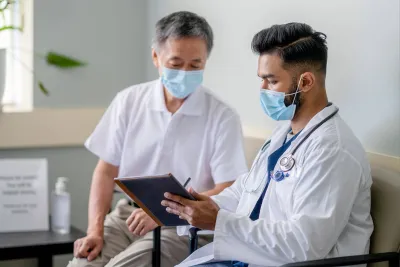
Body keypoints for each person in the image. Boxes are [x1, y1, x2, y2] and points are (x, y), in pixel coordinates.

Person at [162, 22, 374, 267]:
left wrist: (219, 221)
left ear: (305, 82)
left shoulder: (334, 151)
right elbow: (247, 190)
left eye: (271, 81)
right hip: (250, 256)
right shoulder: (285, 132)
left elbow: (305, 246)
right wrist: (207, 206)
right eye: (261, 80)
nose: (262, 89)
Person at [67, 11, 248, 267]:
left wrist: (162, 213)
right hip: (127, 215)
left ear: (206, 61)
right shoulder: (128, 102)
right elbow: (105, 172)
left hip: (184, 226)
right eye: (175, 64)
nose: (185, 72)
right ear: (156, 57)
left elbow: (229, 187)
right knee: (81, 264)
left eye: (195, 65)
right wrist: (94, 230)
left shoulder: (222, 116)